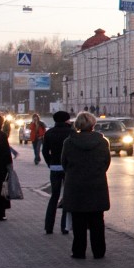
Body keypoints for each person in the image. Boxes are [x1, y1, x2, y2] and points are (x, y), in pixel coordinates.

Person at [61, 111, 111, 259]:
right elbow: (106, 163)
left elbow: (65, 164)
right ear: (93, 124)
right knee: (97, 220)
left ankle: (79, 251)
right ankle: (99, 251)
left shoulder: (69, 142)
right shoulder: (102, 142)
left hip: (76, 187)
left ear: (78, 125)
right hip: (97, 186)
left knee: (78, 221)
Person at [42, 110, 74, 235]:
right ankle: (64, 227)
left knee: (54, 196)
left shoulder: (49, 133)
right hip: (68, 168)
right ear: (66, 120)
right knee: (67, 197)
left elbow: (45, 151)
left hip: (54, 167)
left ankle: (48, 226)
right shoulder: (71, 133)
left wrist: (50, 163)